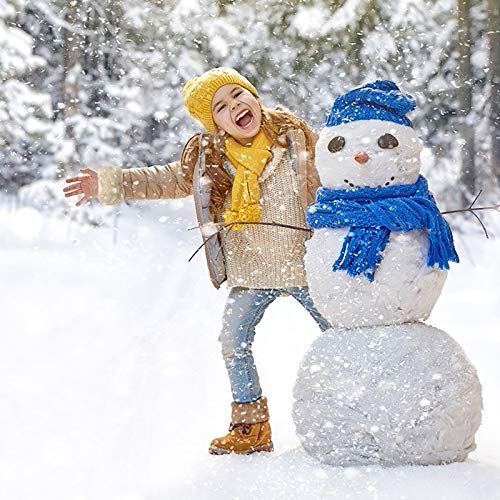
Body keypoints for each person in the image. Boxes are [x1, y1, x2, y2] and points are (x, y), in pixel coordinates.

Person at [63, 67, 331, 455]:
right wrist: (111, 183)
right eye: (221, 107)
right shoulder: (212, 159)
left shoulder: (297, 139)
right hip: (252, 271)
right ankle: (251, 428)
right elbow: (166, 179)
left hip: (305, 266)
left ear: (253, 96)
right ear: (215, 125)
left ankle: (366, 404)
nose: (234, 106)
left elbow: (342, 166)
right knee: (233, 342)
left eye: (238, 95)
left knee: (342, 333)